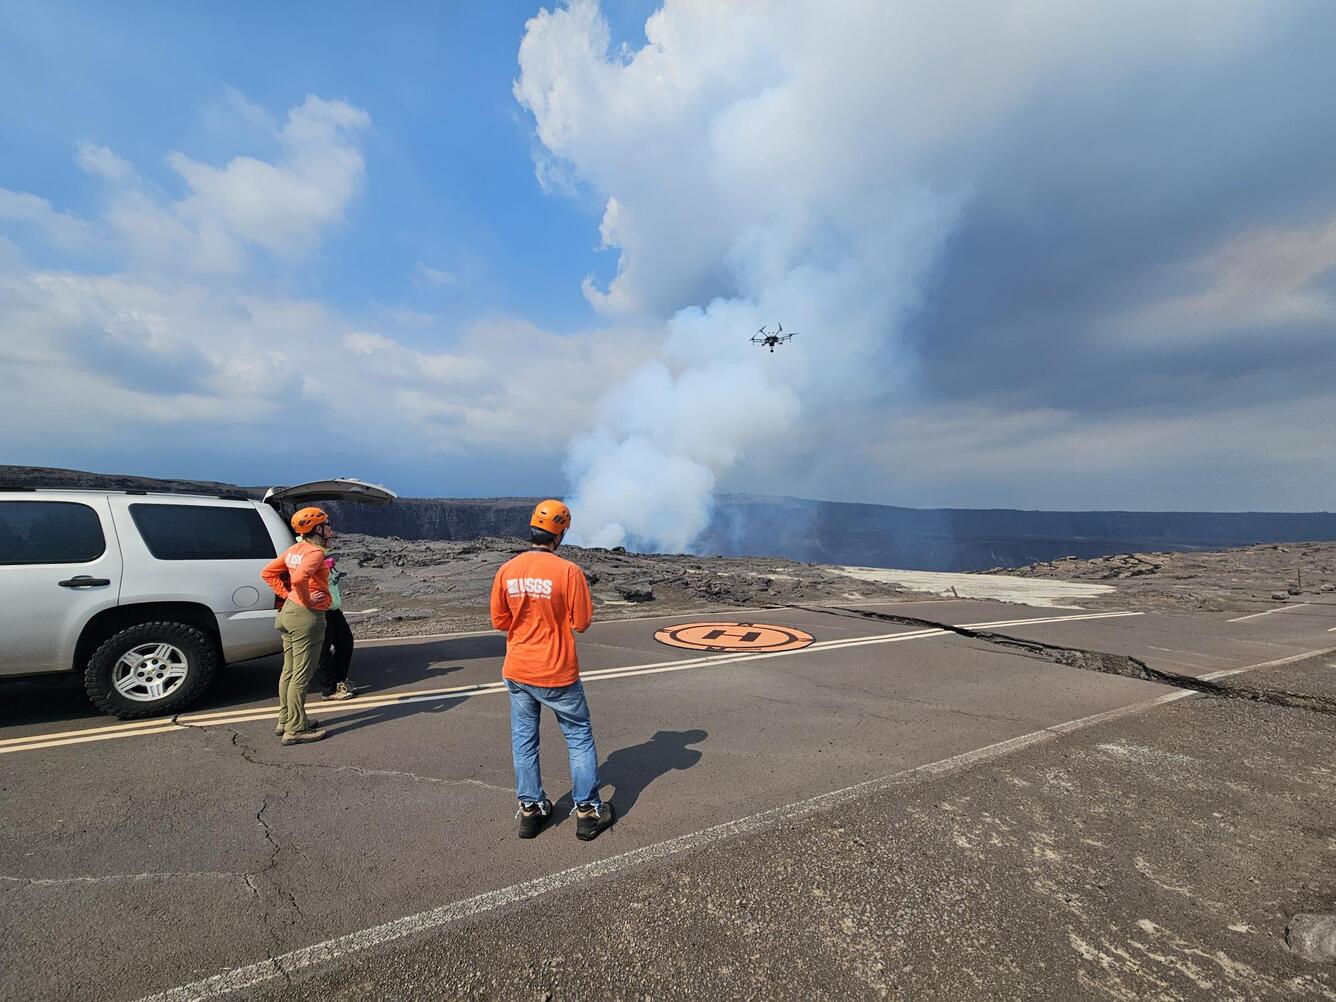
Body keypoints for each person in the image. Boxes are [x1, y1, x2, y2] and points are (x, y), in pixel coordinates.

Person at [490, 499, 613, 841]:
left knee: (524, 741)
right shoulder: (568, 572)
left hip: (517, 670)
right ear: (559, 534)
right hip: (557, 671)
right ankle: (587, 813)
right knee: (578, 738)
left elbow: (500, 621)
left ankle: (531, 810)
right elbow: (583, 622)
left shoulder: (507, 570)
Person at [261, 506, 334, 745]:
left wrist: (288, 594)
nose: (331, 531)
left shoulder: (294, 549)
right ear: (317, 529)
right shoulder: (314, 553)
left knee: (289, 671)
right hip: (305, 617)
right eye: (327, 526)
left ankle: (286, 719)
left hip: (287, 613)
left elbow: (268, 572)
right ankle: (295, 729)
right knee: (301, 675)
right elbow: (301, 578)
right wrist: (305, 598)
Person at [314, 552, 362, 701]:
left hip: (332, 605)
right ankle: (329, 688)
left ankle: (338, 682)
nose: (331, 531)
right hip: (319, 607)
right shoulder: (308, 551)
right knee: (323, 648)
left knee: (345, 641)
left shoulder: (321, 550)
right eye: (327, 528)